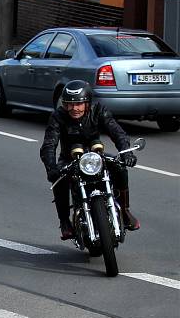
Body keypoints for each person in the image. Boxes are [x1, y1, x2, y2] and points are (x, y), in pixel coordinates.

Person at [40, 80, 140, 240]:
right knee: (59, 179)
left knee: (120, 167)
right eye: (69, 104)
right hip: (69, 158)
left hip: (96, 157)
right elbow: (49, 145)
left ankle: (125, 211)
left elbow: (118, 133)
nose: (74, 108)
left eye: (79, 103)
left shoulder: (99, 110)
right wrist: (51, 167)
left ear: (87, 102)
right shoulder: (58, 116)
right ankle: (65, 222)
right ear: (64, 104)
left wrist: (126, 153)